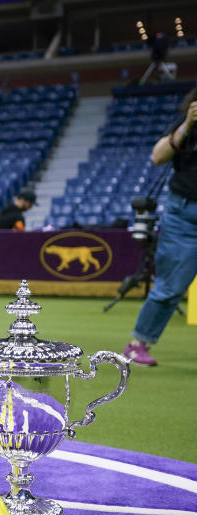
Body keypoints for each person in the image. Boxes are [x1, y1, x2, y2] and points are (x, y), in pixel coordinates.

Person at [123, 88, 197, 367]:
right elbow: (157, 156)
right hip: (185, 217)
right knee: (170, 286)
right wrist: (188, 125)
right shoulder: (187, 128)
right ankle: (137, 344)